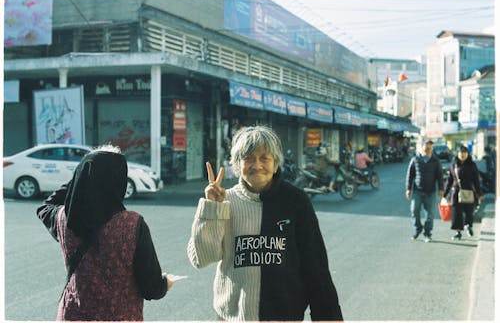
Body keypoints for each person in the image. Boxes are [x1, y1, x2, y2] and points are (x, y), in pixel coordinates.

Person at [187, 126, 343, 321]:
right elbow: (201, 259)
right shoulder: (223, 201)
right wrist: (212, 207)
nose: (257, 165)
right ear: (236, 165)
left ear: (276, 164)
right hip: (233, 318)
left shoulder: (295, 201)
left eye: (264, 158)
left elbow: (315, 266)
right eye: (249, 158)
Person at [36, 145, 173, 321]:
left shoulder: (65, 219)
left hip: (71, 315)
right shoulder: (133, 224)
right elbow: (152, 288)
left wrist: (82, 177)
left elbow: (46, 206)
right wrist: (165, 283)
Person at [405, 139, 444, 242]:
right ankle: (418, 228)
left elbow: (440, 176)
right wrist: (408, 188)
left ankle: (427, 233)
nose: (428, 148)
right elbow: (410, 175)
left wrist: (441, 189)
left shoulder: (436, 161)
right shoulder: (415, 159)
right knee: (414, 210)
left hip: (430, 191)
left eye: (430, 146)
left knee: (429, 214)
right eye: (426, 145)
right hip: (417, 191)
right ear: (422, 147)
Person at [444, 145, 483, 240]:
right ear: (457, 154)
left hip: (468, 191)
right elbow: (449, 180)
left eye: (464, 153)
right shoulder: (453, 165)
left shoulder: (472, 165)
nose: (462, 154)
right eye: (461, 152)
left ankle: (469, 226)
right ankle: (458, 232)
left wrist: (479, 193)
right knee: (456, 213)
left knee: (469, 211)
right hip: (456, 192)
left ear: (467, 154)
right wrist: (444, 194)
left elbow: (476, 181)